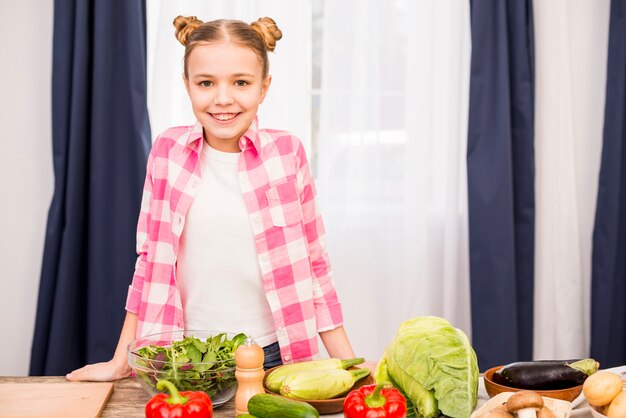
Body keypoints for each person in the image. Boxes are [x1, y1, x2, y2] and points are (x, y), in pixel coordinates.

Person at [66, 15, 356, 382]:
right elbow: (150, 262)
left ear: (263, 88)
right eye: (206, 82)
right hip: (184, 357)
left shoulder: (287, 153)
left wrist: (351, 368)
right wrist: (121, 360)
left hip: (274, 357)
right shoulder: (167, 152)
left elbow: (315, 265)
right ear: (186, 85)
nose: (223, 98)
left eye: (241, 82)